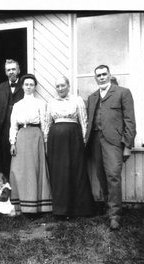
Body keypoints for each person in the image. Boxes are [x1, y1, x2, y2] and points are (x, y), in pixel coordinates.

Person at [85, 65, 136, 230]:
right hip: (95, 141)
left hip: (113, 142)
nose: (101, 77)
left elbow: (130, 121)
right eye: (98, 75)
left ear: (109, 75)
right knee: (101, 176)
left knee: (113, 176)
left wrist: (127, 145)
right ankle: (109, 209)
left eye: (104, 74)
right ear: (95, 78)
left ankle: (115, 215)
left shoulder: (123, 92)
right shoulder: (92, 97)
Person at [47, 76, 94, 218]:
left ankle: (80, 209)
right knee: (59, 172)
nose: (60, 88)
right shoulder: (51, 101)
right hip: (56, 139)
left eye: (63, 85)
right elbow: (47, 123)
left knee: (76, 170)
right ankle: (61, 210)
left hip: (74, 138)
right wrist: (46, 141)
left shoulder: (77, 100)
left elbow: (84, 121)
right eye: (58, 86)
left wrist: (84, 141)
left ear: (68, 85)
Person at [9, 74, 52, 214]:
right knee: (20, 170)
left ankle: (37, 206)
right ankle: (20, 206)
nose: (28, 87)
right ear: (22, 86)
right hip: (22, 135)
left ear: (34, 87)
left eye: (31, 85)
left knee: (35, 169)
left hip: (36, 136)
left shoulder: (40, 103)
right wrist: (12, 142)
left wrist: (45, 142)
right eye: (26, 84)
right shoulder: (17, 105)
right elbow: (13, 125)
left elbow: (45, 124)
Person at [0, 59, 24, 178]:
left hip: (21, 127)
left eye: (13, 69)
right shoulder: (0, 88)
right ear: (6, 72)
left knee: (20, 157)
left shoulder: (24, 85)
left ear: (18, 71)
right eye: (8, 70)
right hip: (4, 127)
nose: (11, 72)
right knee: (5, 158)